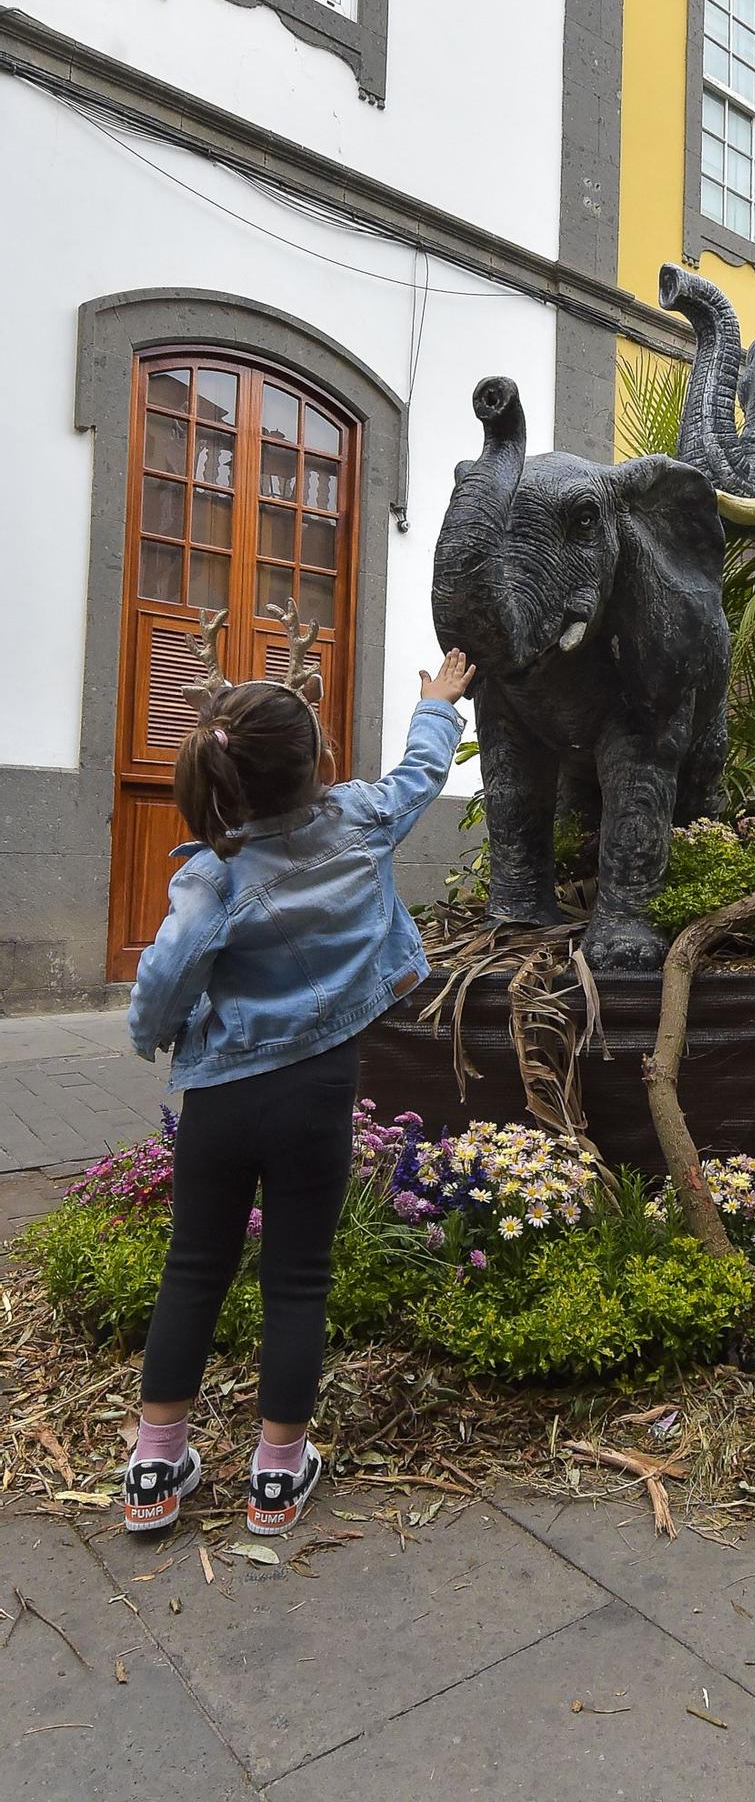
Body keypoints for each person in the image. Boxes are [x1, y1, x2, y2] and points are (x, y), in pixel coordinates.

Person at [123, 650, 475, 1535]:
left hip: (220, 1096)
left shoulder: (212, 876)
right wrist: (437, 703)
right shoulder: (359, 820)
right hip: (320, 1082)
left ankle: (155, 1467)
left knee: (193, 1268)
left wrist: (148, 1035)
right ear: (319, 763)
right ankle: (277, 1475)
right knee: (298, 1278)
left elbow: (165, 980)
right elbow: (419, 776)